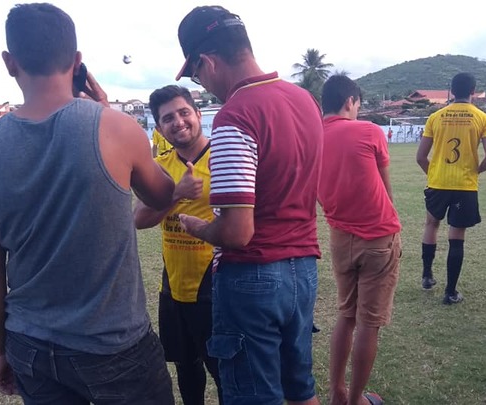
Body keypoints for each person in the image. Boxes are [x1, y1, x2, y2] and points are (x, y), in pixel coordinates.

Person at [0, 4, 176, 404]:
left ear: (10, 63)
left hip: (31, 343)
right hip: (114, 343)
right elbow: (163, 194)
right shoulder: (114, 127)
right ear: (77, 61)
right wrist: (107, 111)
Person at [174, 5, 323, 405]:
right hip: (304, 270)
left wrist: (199, 227)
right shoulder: (305, 100)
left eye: (195, 74)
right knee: (299, 388)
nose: (201, 83)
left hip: (253, 278)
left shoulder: (234, 115)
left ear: (206, 61)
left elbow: (238, 233)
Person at [135, 85, 223, 405]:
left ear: (199, 114)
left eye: (184, 112)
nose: (178, 122)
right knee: (186, 368)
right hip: (173, 285)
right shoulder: (159, 166)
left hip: (215, 285)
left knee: (222, 368)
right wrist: (177, 193)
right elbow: (140, 219)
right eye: (168, 118)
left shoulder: (222, 157)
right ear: (159, 128)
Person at [319, 75, 401, 405]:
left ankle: (337, 391)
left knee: (346, 315)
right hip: (378, 236)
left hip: (340, 236)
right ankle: (355, 400)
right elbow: (385, 187)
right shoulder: (368, 131)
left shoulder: (310, 137)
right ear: (351, 101)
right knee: (369, 322)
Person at [416, 72, 486, 304]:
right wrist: (475, 171)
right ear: (473, 91)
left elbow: (421, 157)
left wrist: (434, 174)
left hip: (438, 182)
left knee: (431, 225)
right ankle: (450, 292)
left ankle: (427, 276)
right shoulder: (483, 118)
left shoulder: (435, 117)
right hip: (465, 185)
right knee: (456, 234)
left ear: (451, 91)